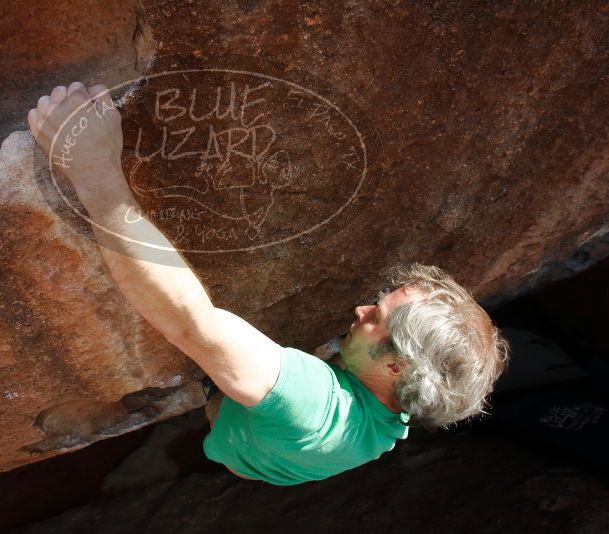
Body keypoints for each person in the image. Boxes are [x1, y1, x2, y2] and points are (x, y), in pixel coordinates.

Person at [27, 82, 510, 485]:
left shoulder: (313, 405)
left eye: (376, 320)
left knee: (222, 390)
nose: (362, 309)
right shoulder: (388, 414)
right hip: (277, 456)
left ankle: (216, 403)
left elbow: (192, 326)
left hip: (245, 447)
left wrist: (93, 167)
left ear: (398, 370)